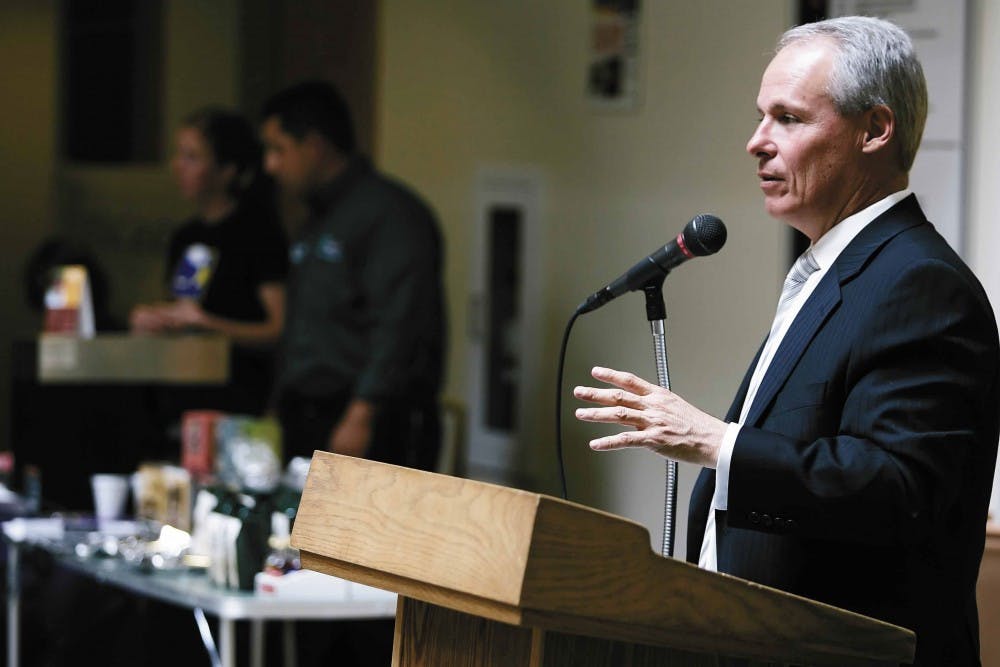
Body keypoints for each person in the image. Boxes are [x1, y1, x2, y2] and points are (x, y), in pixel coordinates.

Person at [574, 16, 999, 666]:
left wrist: (717, 441)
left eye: (789, 118)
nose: (756, 142)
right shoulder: (833, 270)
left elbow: (899, 491)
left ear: (875, 129)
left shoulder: (920, 284)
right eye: (759, 116)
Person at [260, 80, 446, 471]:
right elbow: (304, 323)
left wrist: (362, 413)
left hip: (368, 415)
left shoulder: (389, 214)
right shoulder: (314, 217)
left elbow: (401, 323)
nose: (270, 165)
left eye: (279, 149)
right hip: (309, 408)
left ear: (314, 145)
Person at [130, 107, 289, 415]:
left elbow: (277, 329)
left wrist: (209, 324)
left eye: (192, 157)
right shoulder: (187, 236)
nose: (178, 166)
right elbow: (185, 308)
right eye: (179, 155)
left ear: (226, 169)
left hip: (240, 398)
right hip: (184, 392)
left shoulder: (259, 231)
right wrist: (157, 319)